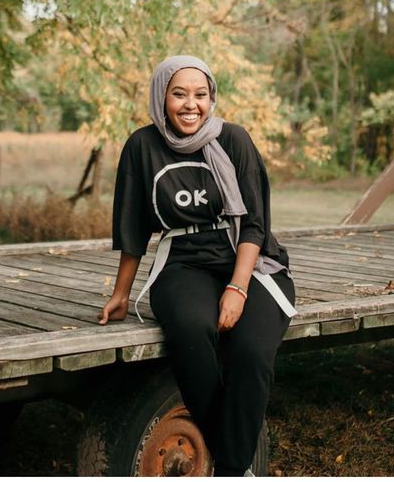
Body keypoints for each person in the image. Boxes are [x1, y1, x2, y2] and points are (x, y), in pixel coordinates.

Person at [99, 55, 298, 476]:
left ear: (211, 98)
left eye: (201, 94)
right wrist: (120, 295)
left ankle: (229, 468)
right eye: (179, 94)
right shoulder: (142, 146)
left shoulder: (234, 140)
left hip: (249, 260)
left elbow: (255, 224)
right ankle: (232, 450)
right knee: (191, 330)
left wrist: (238, 288)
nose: (191, 105)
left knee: (250, 353)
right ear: (161, 97)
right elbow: (134, 229)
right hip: (183, 261)